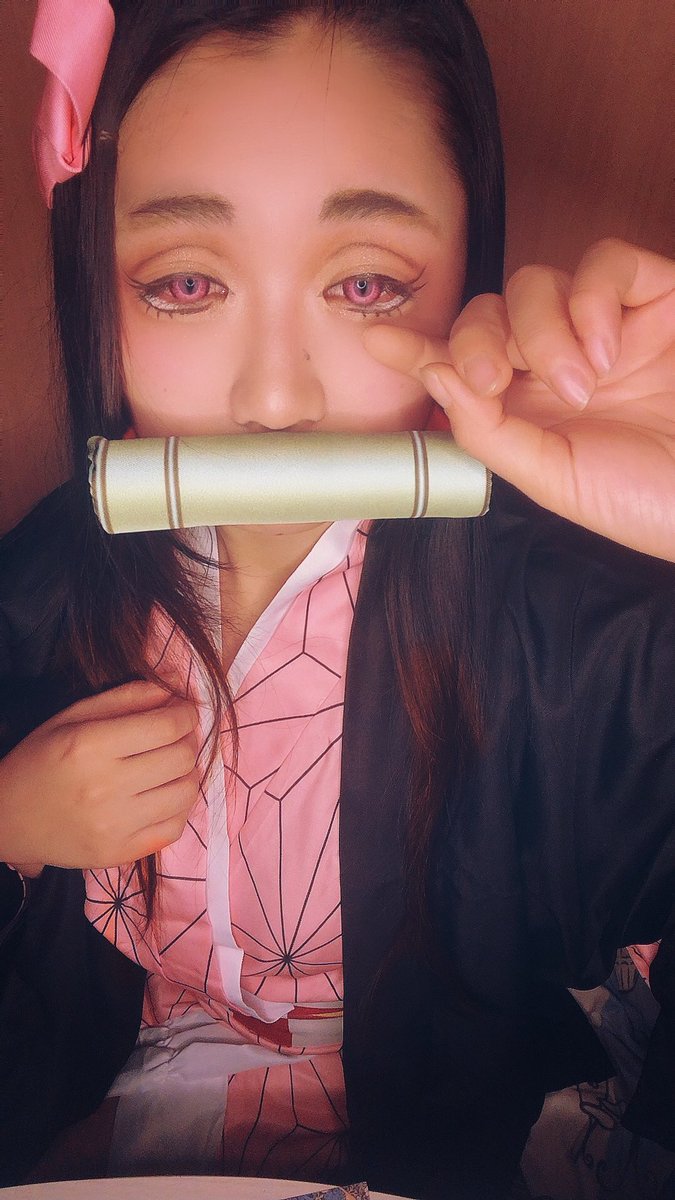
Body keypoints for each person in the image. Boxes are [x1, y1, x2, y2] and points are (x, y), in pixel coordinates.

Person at [0, 1, 673, 1197]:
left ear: (467, 271)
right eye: (186, 281)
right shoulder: (51, 577)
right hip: (114, 1118)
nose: (274, 396)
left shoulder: (555, 616)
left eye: (365, 284)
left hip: (443, 1137)